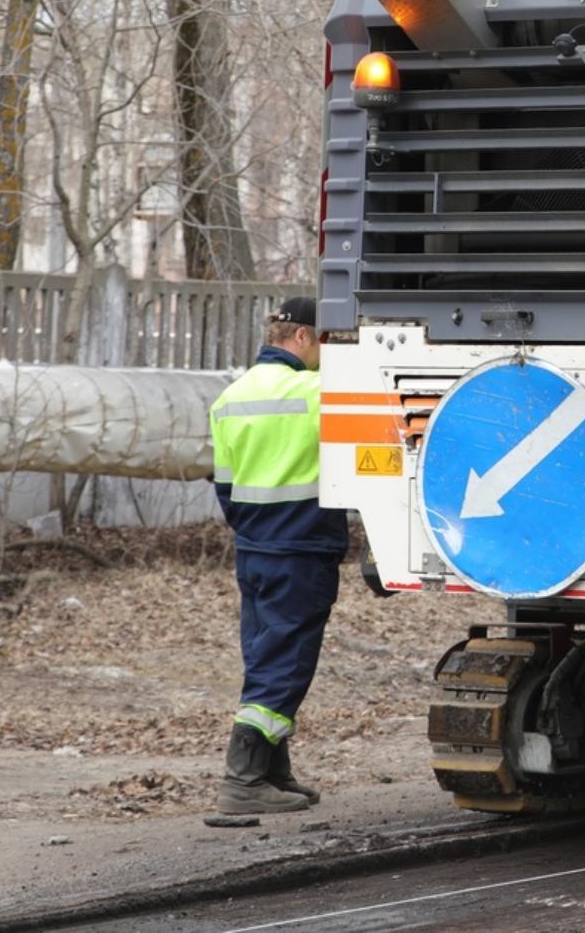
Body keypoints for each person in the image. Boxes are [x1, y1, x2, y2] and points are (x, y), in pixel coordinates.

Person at [210, 296, 343, 815]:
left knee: (266, 654)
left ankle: (270, 771)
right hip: (301, 548)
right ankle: (242, 781)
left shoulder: (230, 397)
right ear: (304, 337)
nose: (327, 354)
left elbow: (224, 486)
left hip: (254, 548)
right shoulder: (319, 394)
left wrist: (254, 530)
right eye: (326, 342)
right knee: (284, 665)